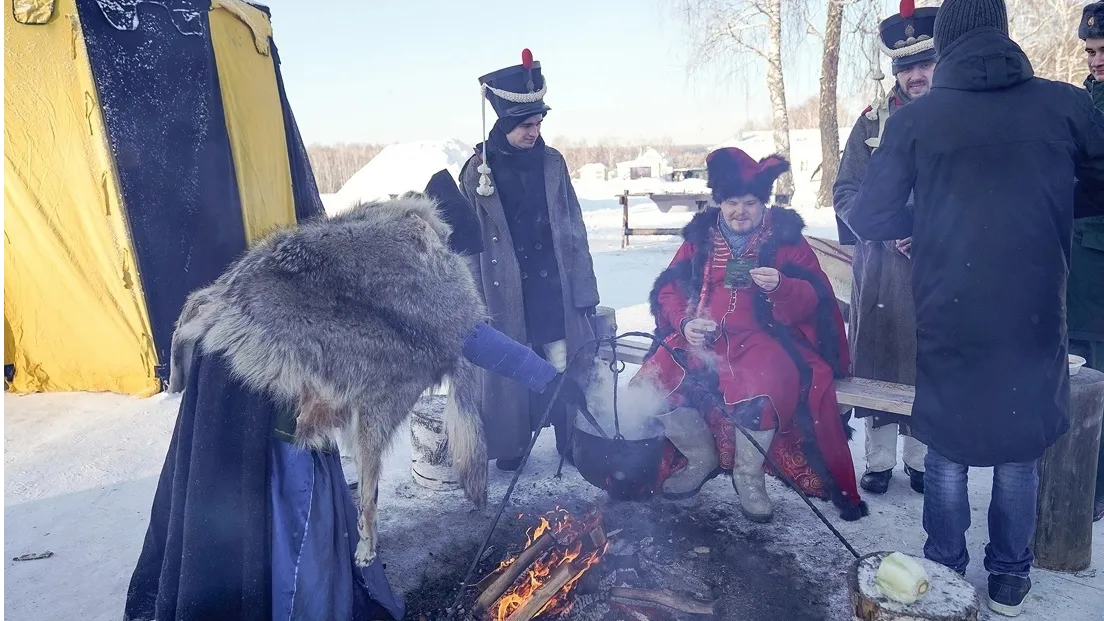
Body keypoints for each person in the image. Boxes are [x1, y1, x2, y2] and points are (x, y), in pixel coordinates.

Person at [123, 191, 590, 621]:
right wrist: (548, 378)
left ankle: (203, 588)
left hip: (221, 351)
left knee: (213, 492)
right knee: (282, 504)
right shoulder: (429, 271)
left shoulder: (365, 229)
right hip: (268, 384)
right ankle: (284, 604)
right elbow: (480, 341)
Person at [840, 0, 1104, 615]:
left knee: (951, 450)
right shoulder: (1065, 104)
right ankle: (1011, 577)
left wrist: (929, 216)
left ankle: (947, 568)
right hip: (1034, 312)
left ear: (949, 42)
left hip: (949, 308)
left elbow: (867, 214)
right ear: (1003, 35)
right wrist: (1046, 204)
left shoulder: (917, 121)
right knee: (1018, 450)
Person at [634, 147, 868, 524]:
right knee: (650, 386)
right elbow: (668, 290)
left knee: (767, 384)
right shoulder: (701, 239)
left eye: (749, 203)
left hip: (764, 337)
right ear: (719, 203)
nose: (739, 211)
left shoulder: (786, 240)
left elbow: (816, 302)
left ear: (764, 204)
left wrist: (783, 287)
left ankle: (748, 474)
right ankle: (700, 457)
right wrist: (684, 324)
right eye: (730, 203)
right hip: (699, 336)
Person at [458, 49, 601, 471]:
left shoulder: (553, 164)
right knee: (512, 364)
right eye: (526, 125)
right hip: (504, 290)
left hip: (552, 285)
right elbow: (466, 245)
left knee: (563, 359)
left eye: (539, 123)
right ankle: (513, 443)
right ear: (505, 124)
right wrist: (471, 303)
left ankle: (571, 437)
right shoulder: (476, 171)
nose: (534, 132)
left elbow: (575, 228)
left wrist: (584, 288)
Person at [834, 0, 938, 496]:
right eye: (905, 67)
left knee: (925, 362)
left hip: (936, 268)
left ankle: (922, 460)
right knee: (877, 358)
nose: (915, 76)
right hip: (878, 267)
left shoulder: (959, 117)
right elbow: (845, 191)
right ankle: (877, 462)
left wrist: (930, 231)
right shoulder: (870, 123)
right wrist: (884, 225)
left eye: (924, 63)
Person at [1076, 0, 1104, 523]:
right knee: (1082, 371)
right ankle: (1084, 476)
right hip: (1079, 262)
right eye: (1089, 50)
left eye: (1103, 50)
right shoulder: (1083, 101)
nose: (1096, 59)